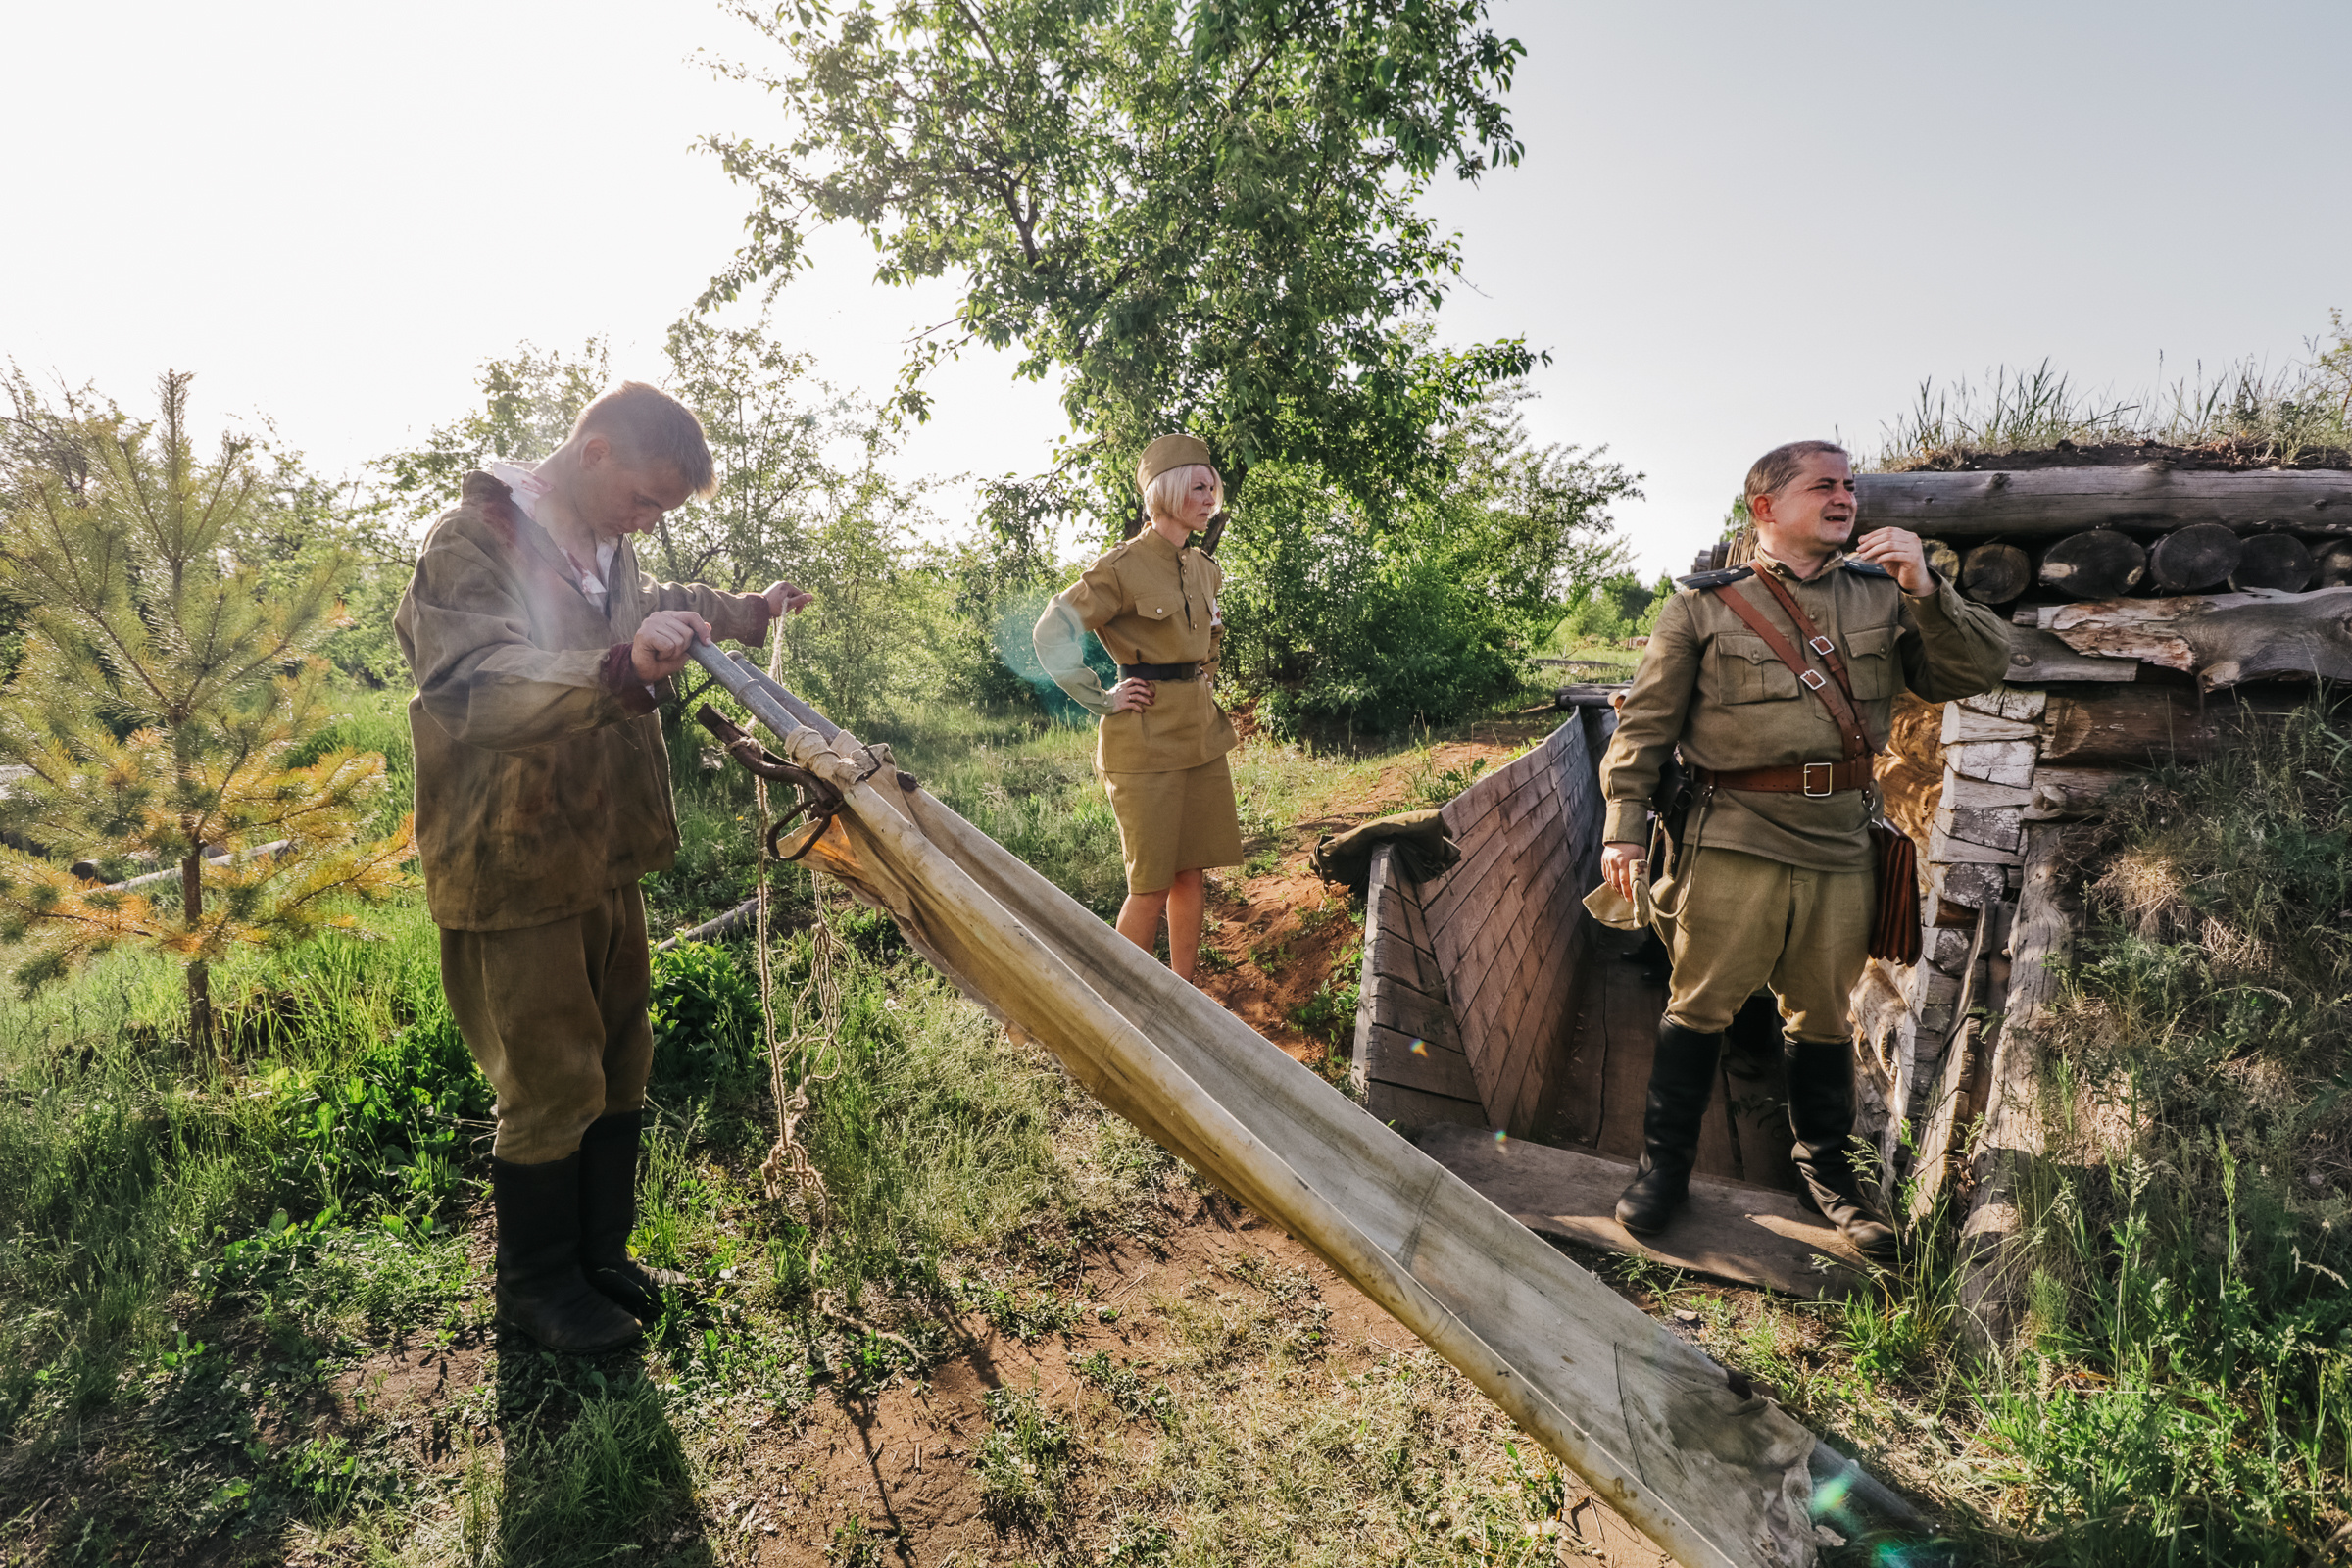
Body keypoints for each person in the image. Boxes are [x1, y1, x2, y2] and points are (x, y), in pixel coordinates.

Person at [394, 381, 811, 1352]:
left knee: (621, 1054)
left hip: (604, 850)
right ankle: (536, 1288)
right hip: (514, 858)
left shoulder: (608, 548)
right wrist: (618, 669)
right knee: (548, 1073)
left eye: (664, 510)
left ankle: (600, 1257)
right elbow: (475, 680)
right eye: (645, 498)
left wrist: (746, 611)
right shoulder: (471, 543)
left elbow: (657, 607)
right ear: (593, 453)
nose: (650, 520)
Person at [1594, 440, 2008, 1252]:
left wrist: (1929, 590)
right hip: (1733, 838)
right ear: (1764, 509)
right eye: (1823, 486)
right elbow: (1643, 729)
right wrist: (1624, 829)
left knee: (1823, 1016)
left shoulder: (1884, 598)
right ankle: (1662, 1170)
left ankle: (1828, 1177)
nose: (1844, 497)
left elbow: (1980, 668)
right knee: (1700, 1007)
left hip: (1841, 843)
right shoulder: (1703, 608)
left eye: (1849, 486)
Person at [1032, 434, 1244, 981]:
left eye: (1212, 488)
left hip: (1198, 735)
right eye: (1199, 487)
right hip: (1143, 741)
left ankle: (1182, 996)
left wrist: (1202, 681)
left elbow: (1211, 640)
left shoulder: (1204, 567)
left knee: (1191, 874)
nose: (1210, 498)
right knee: (1149, 883)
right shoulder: (1122, 567)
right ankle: (1122, 1007)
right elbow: (1051, 631)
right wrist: (1102, 696)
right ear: (1169, 492)